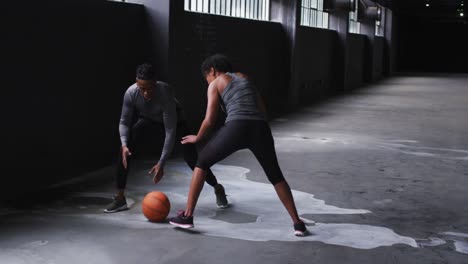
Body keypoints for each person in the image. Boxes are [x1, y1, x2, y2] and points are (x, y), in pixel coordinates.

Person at [167, 54, 308, 236]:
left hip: (237, 126)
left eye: (207, 77)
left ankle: (187, 216)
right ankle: (297, 224)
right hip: (260, 128)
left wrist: (198, 138)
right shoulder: (244, 78)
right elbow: (262, 109)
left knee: (201, 162)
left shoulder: (216, 83)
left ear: (212, 71)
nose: (207, 81)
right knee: (275, 175)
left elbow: (210, 120)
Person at [104, 63, 228, 213]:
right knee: (125, 149)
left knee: (193, 160)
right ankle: (120, 197)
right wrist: (124, 144)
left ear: (155, 83)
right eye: (142, 89)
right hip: (150, 119)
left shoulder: (165, 91)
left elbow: (170, 130)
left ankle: (217, 187)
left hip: (176, 123)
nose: (146, 93)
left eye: (150, 88)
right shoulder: (131, 93)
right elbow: (124, 122)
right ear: (137, 84)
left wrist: (161, 163)